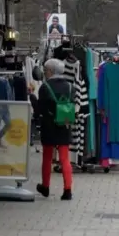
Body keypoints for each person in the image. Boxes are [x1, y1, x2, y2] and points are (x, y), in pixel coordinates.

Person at [35, 58, 74, 200]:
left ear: (51, 71)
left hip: (49, 126)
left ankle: (45, 186)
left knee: (47, 157)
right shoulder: (70, 87)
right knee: (64, 158)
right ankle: (67, 190)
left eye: (46, 70)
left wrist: (33, 100)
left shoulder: (45, 87)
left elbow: (40, 109)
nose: (45, 73)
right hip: (64, 124)